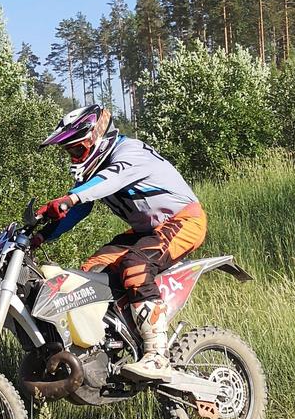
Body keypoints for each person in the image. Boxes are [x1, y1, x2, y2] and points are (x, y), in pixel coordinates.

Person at [34, 104, 206, 379]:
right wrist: (40, 236)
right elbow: (78, 209)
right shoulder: (98, 169)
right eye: (70, 152)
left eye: (76, 150)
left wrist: (71, 198)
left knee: (136, 266)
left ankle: (157, 355)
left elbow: (105, 182)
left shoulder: (130, 153)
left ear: (96, 138)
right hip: (145, 231)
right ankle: (107, 344)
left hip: (184, 220)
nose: (74, 158)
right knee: (90, 273)